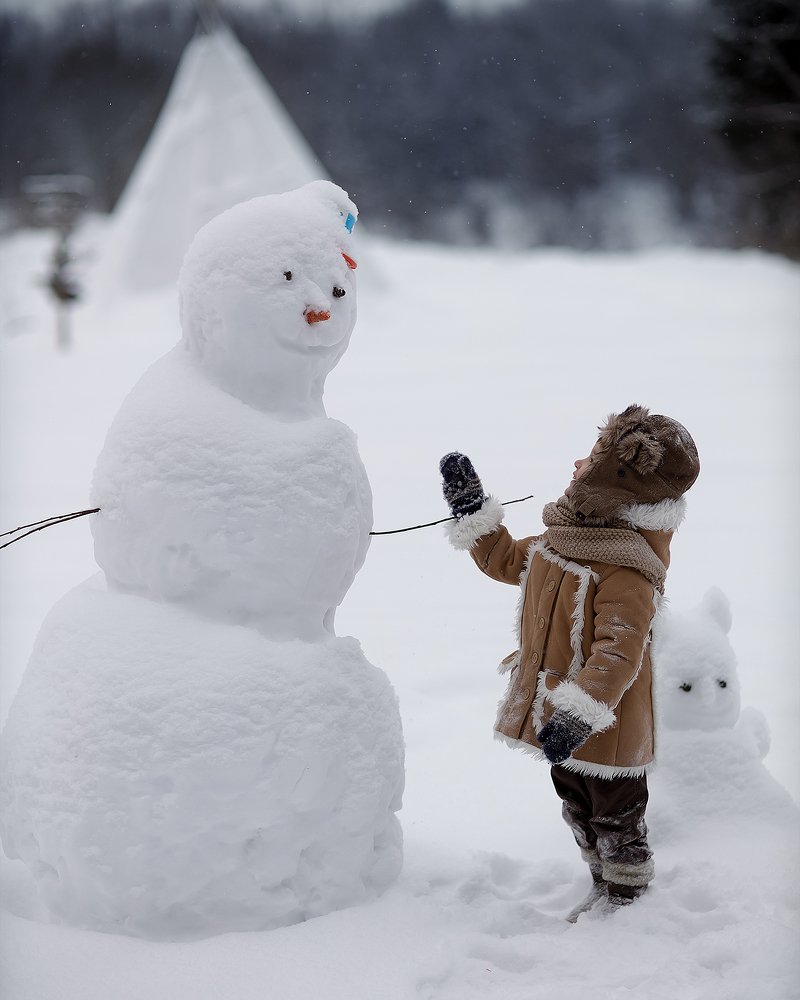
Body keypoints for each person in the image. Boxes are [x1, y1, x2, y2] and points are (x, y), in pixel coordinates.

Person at [439, 404, 700, 919]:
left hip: (609, 725)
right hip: (557, 717)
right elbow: (508, 561)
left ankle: (629, 901)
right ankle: (601, 885)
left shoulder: (627, 569)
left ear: (614, 486)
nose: (577, 462)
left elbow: (618, 652)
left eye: (592, 460)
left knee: (617, 814)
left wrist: (579, 716)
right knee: (576, 801)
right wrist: (472, 512)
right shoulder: (567, 541)